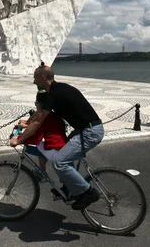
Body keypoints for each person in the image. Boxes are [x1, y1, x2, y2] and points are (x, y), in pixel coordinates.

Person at [10, 64, 103, 210]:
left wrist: (19, 140)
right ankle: (69, 188)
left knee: (59, 162)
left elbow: (39, 121)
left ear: (42, 78)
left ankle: (89, 193)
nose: (33, 82)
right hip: (84, 130)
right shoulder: (57, 90)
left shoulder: (54, 93)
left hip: (89, 132)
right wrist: (27, 123)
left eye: (35, 78)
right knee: (63, 154)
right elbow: (39, 115)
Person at [19, 91, 68, 176]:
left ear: (40, 104)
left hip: (57, 150)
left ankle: (42, 173)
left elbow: (36, 139)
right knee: (42, 146)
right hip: (63, 146)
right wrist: (27, 125)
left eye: (36, 103)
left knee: (39, 145)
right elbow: (39, 124)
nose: (35, 105)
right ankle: (42, 172)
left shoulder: (44, 117)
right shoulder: (51, 114)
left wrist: (18, 139)